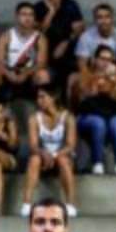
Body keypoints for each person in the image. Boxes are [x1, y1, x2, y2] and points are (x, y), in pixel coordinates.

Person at [21, 84, 78, 218]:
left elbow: (70, 145)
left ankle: (70, 204)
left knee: (63, 160)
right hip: (42, 156)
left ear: (53, 98)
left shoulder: (68, 117)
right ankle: (26, 204)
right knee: (34, 159)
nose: (39, 100)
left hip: (63, 154)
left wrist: (55, 155)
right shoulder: (34, 118)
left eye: (43, 97)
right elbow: (33, 145)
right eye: (38, 97)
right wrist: (43, 153)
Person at [76, 46, 116, 176]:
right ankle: (97, 163)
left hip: (111, 115)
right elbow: (84, 98)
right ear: (95, 60)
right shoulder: (86, 75)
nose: (106, 62)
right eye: (102, 58)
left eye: (109, 59)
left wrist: (113, 82)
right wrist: (97, 81)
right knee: (99, 122)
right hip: (88, 116)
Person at [0, 2, 50, 104]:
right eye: (24, 14)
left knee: (43, 74)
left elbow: (42, 63)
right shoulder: (6, 36)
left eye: (30, 14)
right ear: (17, 16)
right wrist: (8, 73)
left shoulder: (40, 38)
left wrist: (26, 73)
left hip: (29, 77)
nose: (27, 18)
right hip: (9, 75)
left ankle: (43, 114)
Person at [34, 0, 85, 91]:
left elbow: (80, 29)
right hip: (47, 54)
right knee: (43, 75)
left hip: (68, 53)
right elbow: (37, 33)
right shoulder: (38, 7)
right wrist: (50, 13)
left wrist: (65, 42)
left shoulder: (70, 5)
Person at [75, 4, 116, 77]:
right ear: (95, 20)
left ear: (112, 19)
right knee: (73, 78)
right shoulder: (86, 36)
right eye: (99, 17)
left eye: (107, 17)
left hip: (114, 73)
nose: (104, 21)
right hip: (92, 73)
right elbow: (82, 63)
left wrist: (110, 74)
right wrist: (90, 76)